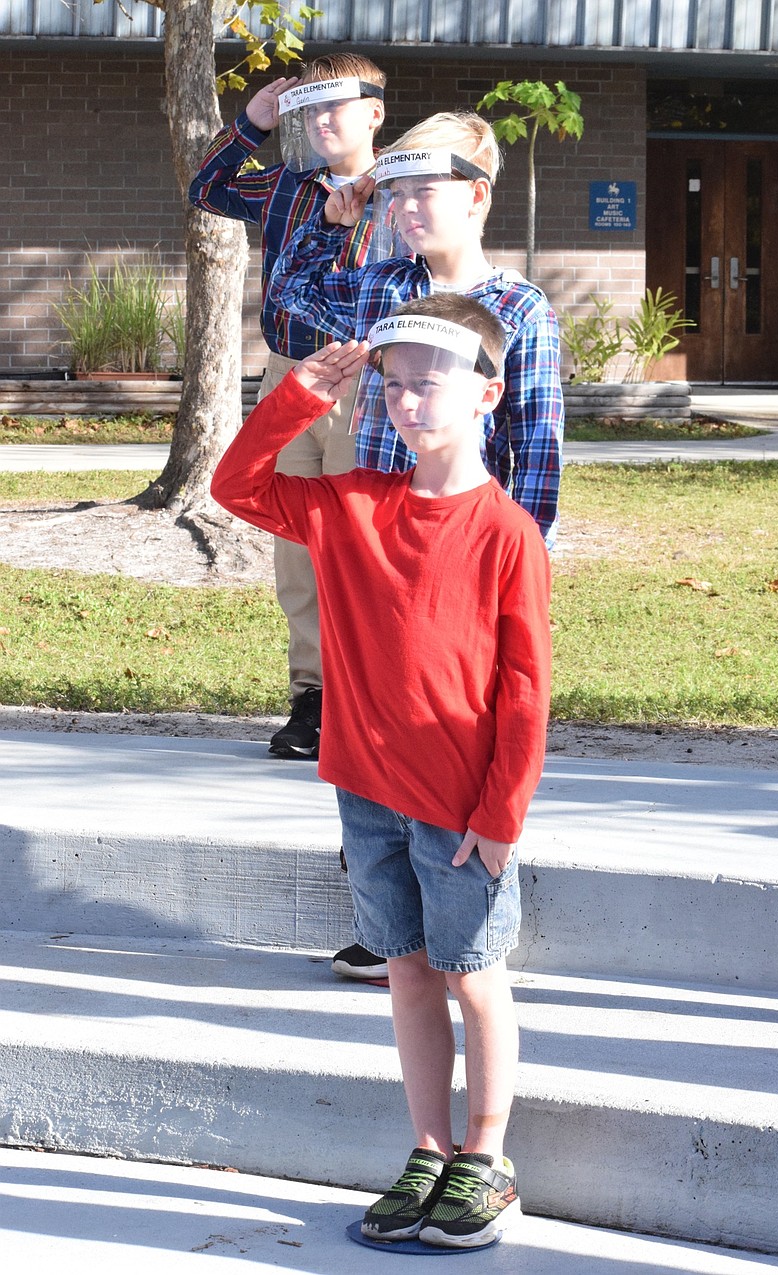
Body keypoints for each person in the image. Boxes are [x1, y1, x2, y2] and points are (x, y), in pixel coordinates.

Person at [211, 294, 552, 1248]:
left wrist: (501, 815)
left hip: (465, 810)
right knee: (405, 971)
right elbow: (235, 489)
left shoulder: (505, 533)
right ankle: (431, 1149)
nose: (405, 401)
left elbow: (526, 688)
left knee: (474, 976)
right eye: (392, 385)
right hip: (366, 793)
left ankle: (487, 1158)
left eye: (427, 382)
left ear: (487, 393)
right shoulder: (350, 503)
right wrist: (293, 401)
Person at [269, 110, 563, 981]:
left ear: (476, 197)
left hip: (470, 560)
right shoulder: (381, 285)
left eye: (420, 190)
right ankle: (384, 921)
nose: (401, 208)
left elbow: (534, 457)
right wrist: (333, 219)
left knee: (466, 728)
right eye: (392, 193)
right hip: (380, 555)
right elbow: (292, 290)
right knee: (374, 723)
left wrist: (511, 569)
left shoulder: (518, 308)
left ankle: (469, 912)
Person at [189, 53, 386, 760]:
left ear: (374, 112)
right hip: (289, 374)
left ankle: (370, 697)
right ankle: (313, 698)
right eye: (312, 107)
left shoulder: (402, 190)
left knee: (362, 540)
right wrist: (250, 123)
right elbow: (204, 188)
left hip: (369, 377)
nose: (324, 119)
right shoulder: (283, 186)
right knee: (297, 545)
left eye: (339, 104)